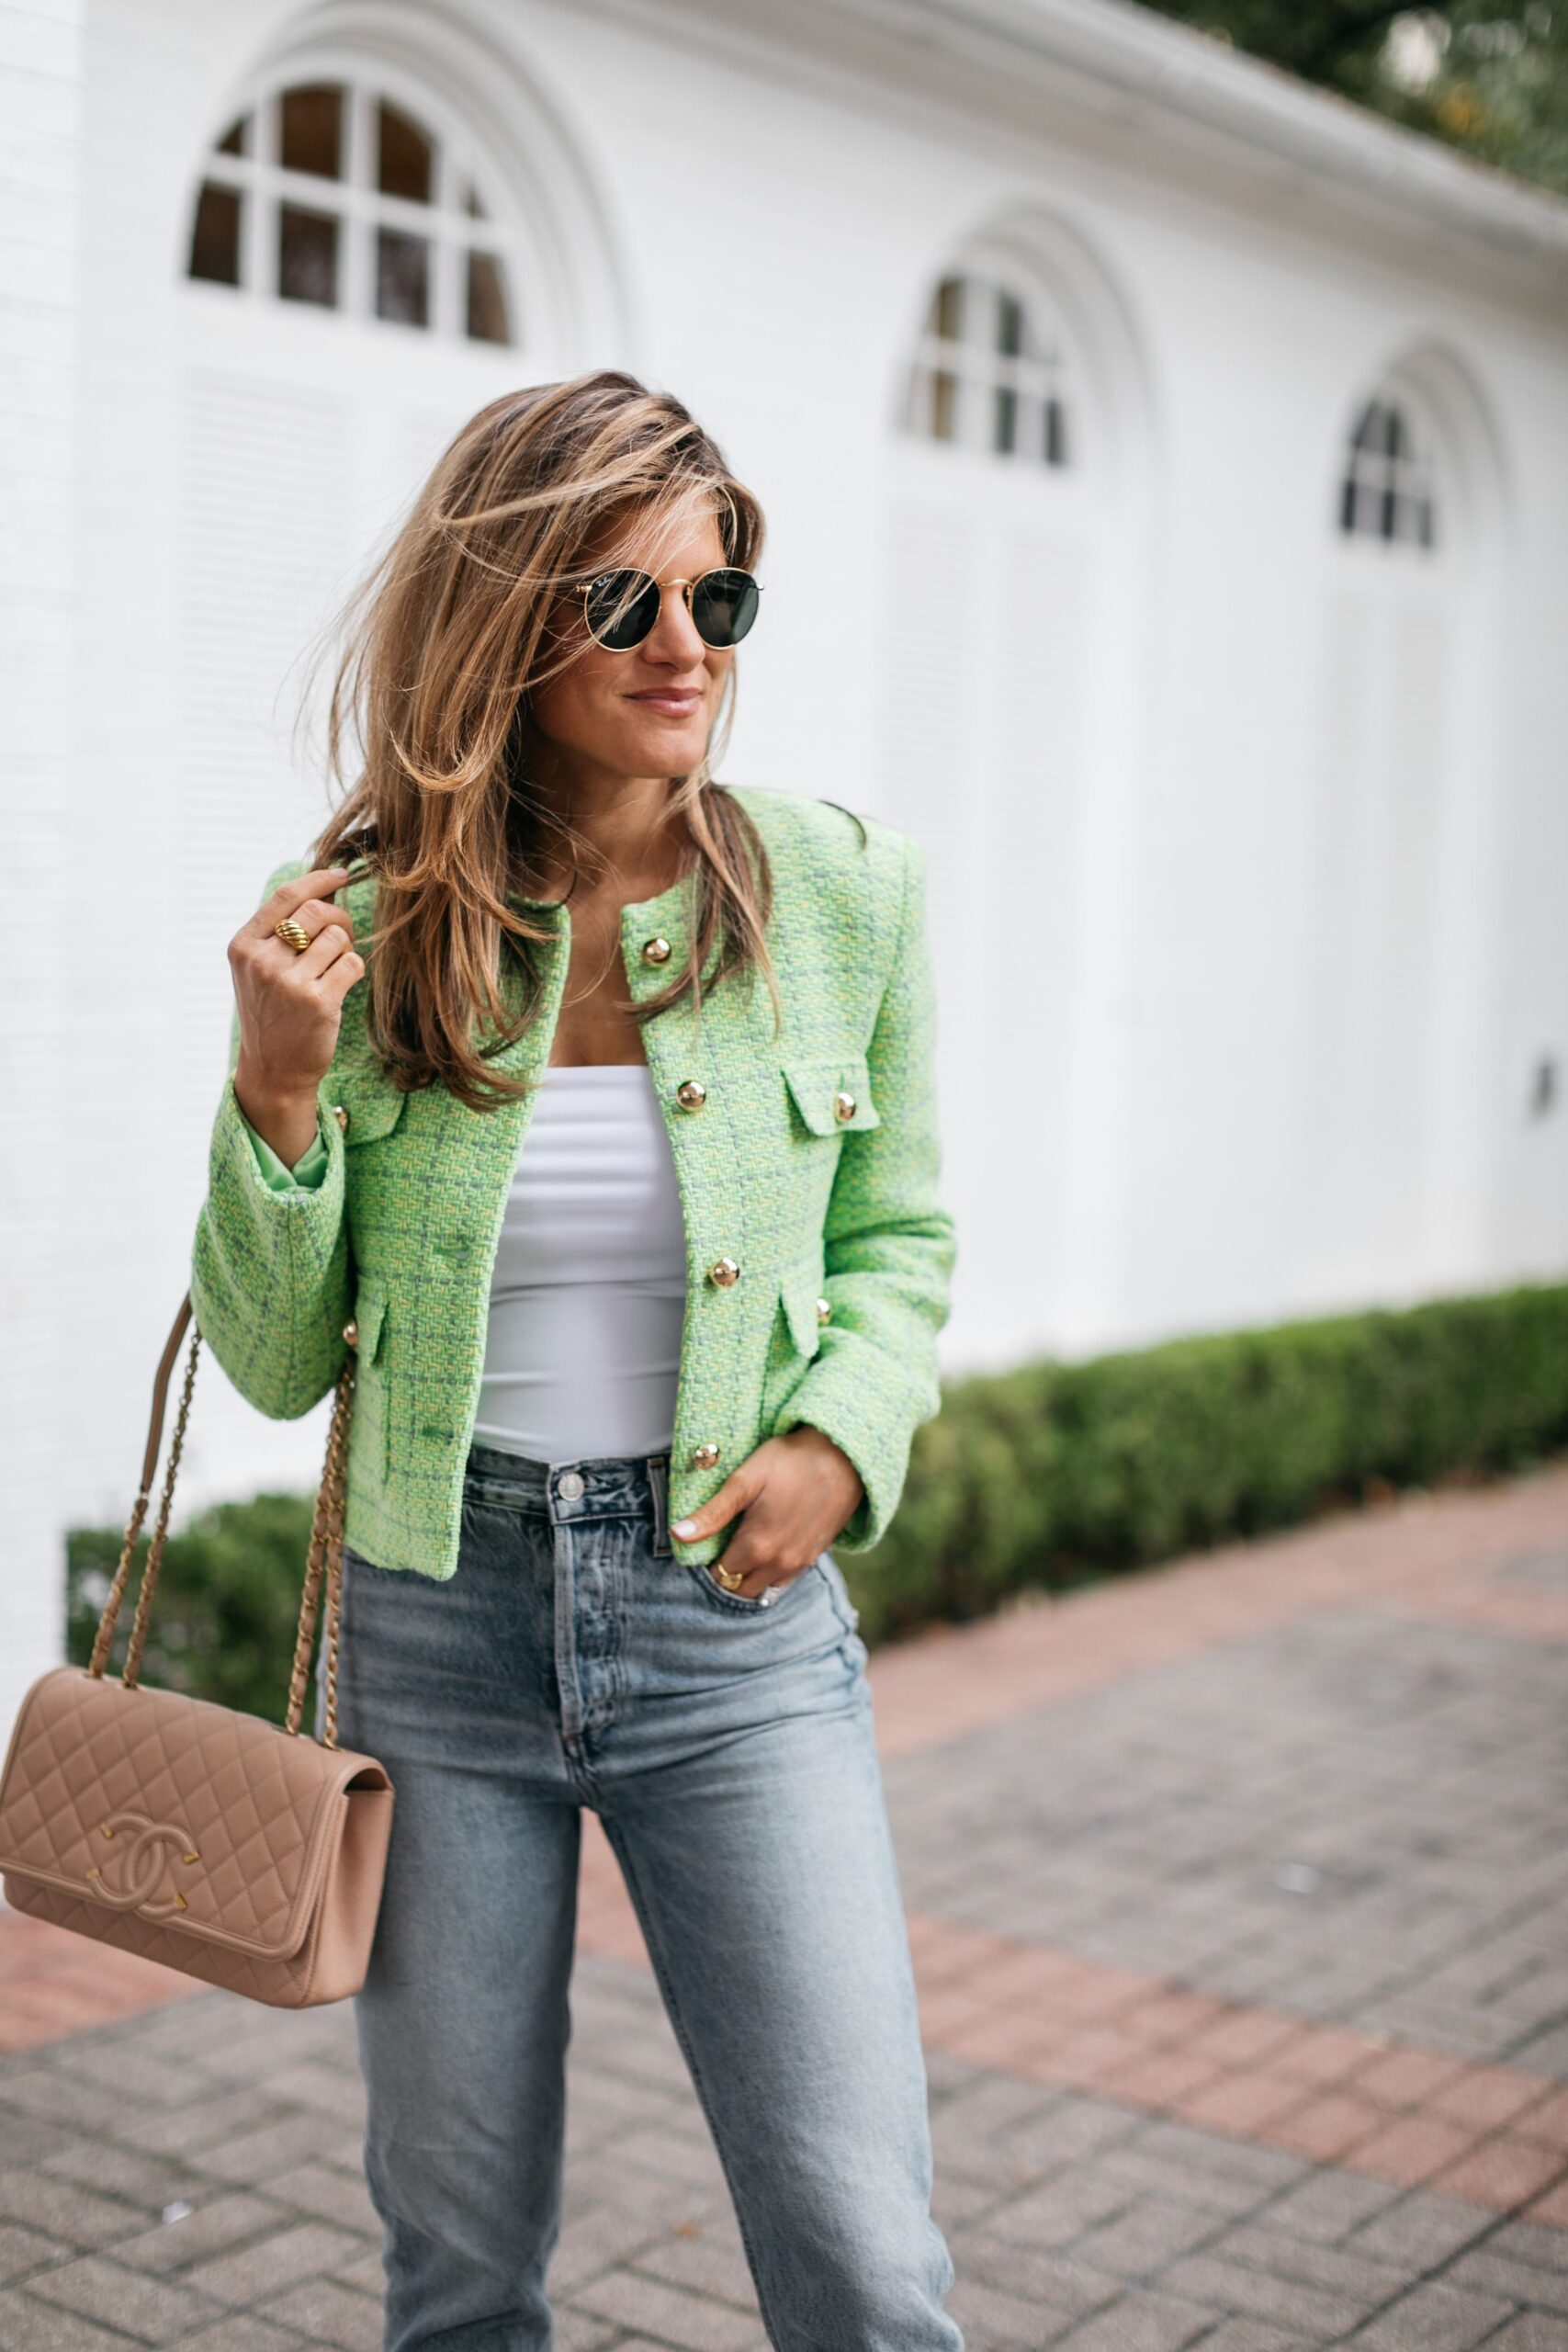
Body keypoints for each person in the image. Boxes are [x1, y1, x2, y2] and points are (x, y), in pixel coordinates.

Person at [191, 368, 962, 2352]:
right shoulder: (368, 924)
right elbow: (278, 1364)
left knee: (862, 2256)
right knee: (454, 2264)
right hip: (436, 1626)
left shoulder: (843, 892)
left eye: (718, 599)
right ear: (508, 620)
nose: (684, 646)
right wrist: (276, 1095)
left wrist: (838, 1438)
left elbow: (901, 1240)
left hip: (733, 1626)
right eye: (621, 602)